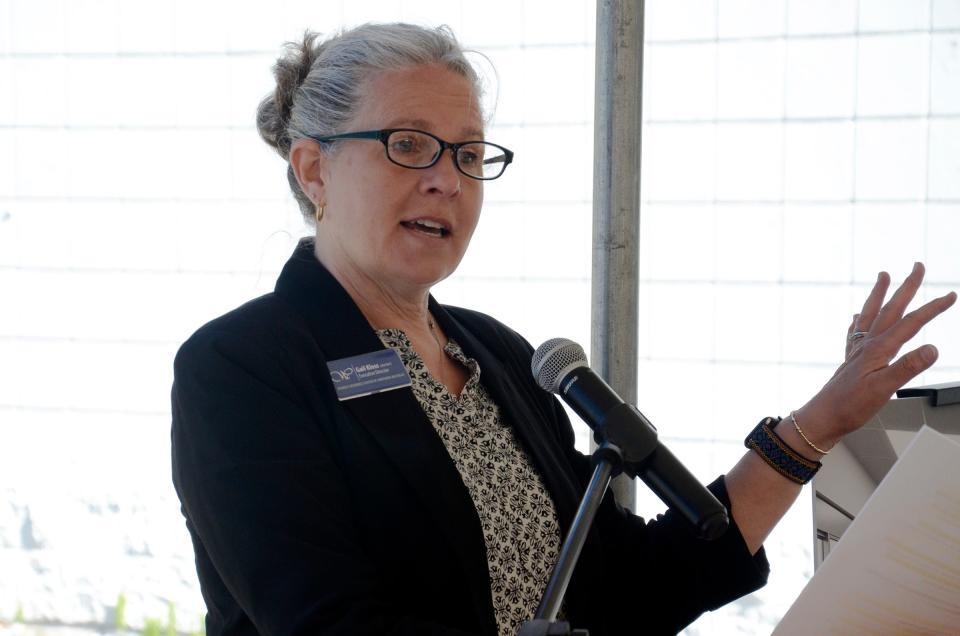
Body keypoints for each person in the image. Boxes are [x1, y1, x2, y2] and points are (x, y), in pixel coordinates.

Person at [170, 23, 957, 636]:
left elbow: (625, 583)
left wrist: (822, 421)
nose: (446, 178)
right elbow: (324, 623)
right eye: (407, 145)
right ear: (314, 170)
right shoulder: (243, 366)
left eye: (468, 153)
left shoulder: (501, 357)